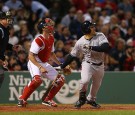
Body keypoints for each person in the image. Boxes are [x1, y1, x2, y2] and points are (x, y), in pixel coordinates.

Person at [61, 20, 110, 108]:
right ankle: (81, 99)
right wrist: (63, 65)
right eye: (91, 27)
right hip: (88, 63)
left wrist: (91, 47)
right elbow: (72, 55)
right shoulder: (80, 41)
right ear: (87, 29)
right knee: (85, 80)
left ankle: (91, 99)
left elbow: (106, 47)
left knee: (97, 84)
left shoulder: (100, 35)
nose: (94, 28)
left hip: (100, 65)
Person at [18, 18, 65, 107]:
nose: (51, 26)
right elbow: (30, 56)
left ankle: (47, 99)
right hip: (34, 62)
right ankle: (22, 99)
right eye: (48, 24)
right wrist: (40, 67)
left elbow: (51, 53)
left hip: (43, 63)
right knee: (37, 80)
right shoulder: (39, 40)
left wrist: (60, 64)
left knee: (60, 79)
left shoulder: (51, 37)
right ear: (43, 28)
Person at [0, 11, 21, 89]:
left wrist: (11, 47)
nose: (10, 20)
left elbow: (3, 43)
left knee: (1, 76)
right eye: (8, 18)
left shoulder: (5, 29)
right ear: (2, 19)